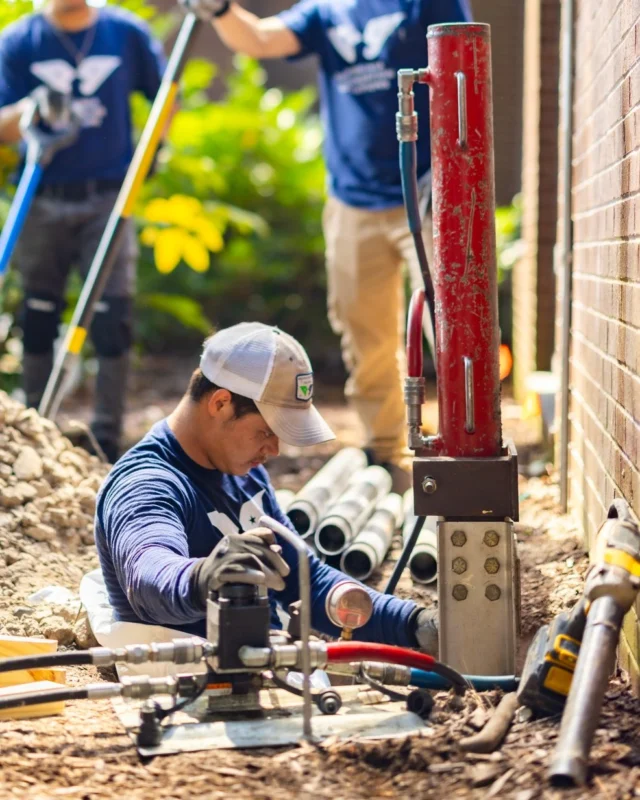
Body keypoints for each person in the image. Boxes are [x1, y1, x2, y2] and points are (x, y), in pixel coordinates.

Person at [178, 0, 471, 479]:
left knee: (452, 325)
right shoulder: (324, 11)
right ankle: (384, 452)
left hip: (427, 188)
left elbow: (463, 66)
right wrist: (221, 9)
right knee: (363, 332)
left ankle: (466, 449)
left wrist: (454, 172)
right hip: (353, 200)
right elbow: (259, 39)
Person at [91, 323, 438, 666]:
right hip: (187, 694)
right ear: (221, 403)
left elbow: (307, 582)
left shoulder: (243, 471)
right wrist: (203, 577)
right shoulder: (147, 483)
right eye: (267, 430)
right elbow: (150, 578)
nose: (274, 449)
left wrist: (414, 625)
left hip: (259, 674)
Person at [0, 0, 166, 463]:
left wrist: (153, 152)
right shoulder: (17, 42)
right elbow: (1, 124)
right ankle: (35, 431)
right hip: (43, 194)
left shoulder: (125, 33)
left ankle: (107, 440)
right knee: (38, 313)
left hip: (109, 197)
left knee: (113, 316)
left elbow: (164, 95)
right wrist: (29, 111)